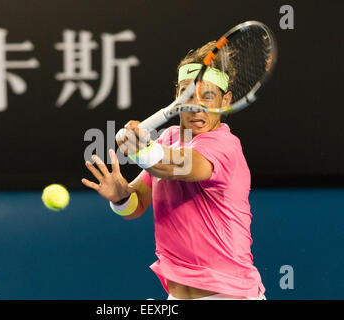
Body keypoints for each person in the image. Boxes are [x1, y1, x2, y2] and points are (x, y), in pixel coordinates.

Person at [82, 41, 265, 300]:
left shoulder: (225, 147)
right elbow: (136, 206)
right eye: (187, 94)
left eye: (208, 96)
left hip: (229, 295)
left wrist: (139, 149)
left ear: (226, 100)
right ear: (177, 95)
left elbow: (171, 166)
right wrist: (121, 195)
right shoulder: (168, 139)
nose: (196, 106)